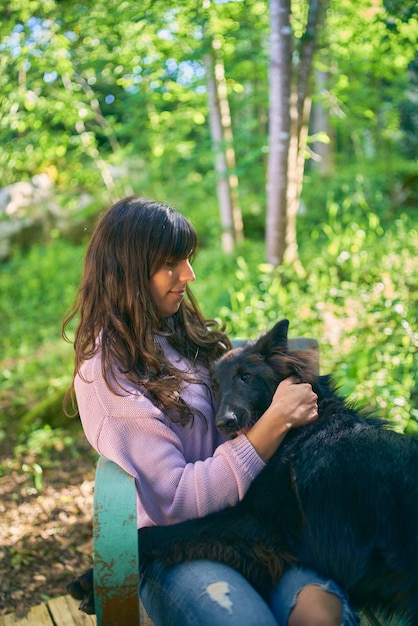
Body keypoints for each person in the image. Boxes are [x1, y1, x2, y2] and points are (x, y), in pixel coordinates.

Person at [63, 196, 359, 626]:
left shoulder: (180, 332)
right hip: (179, 549)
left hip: (259, 525)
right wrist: (274, 423)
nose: (189, 275)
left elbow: (255, 368)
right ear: (126, 272)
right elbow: (176, 499)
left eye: (187, 259)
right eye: (171, 264)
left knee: (321, 615)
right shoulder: (107, 377)